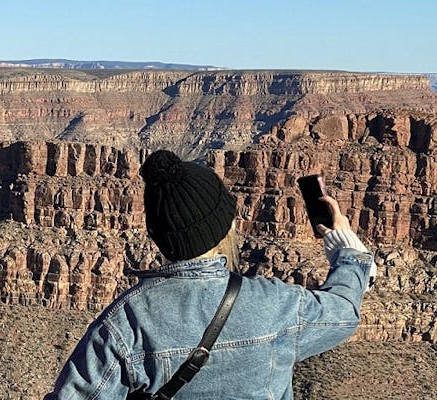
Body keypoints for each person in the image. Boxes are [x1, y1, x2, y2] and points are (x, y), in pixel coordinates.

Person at [45, 149, 376, 399]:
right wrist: (345, 246)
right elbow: (344, 309)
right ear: (227, 226)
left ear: (157, 234)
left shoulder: (125, 324)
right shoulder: (278, 304)